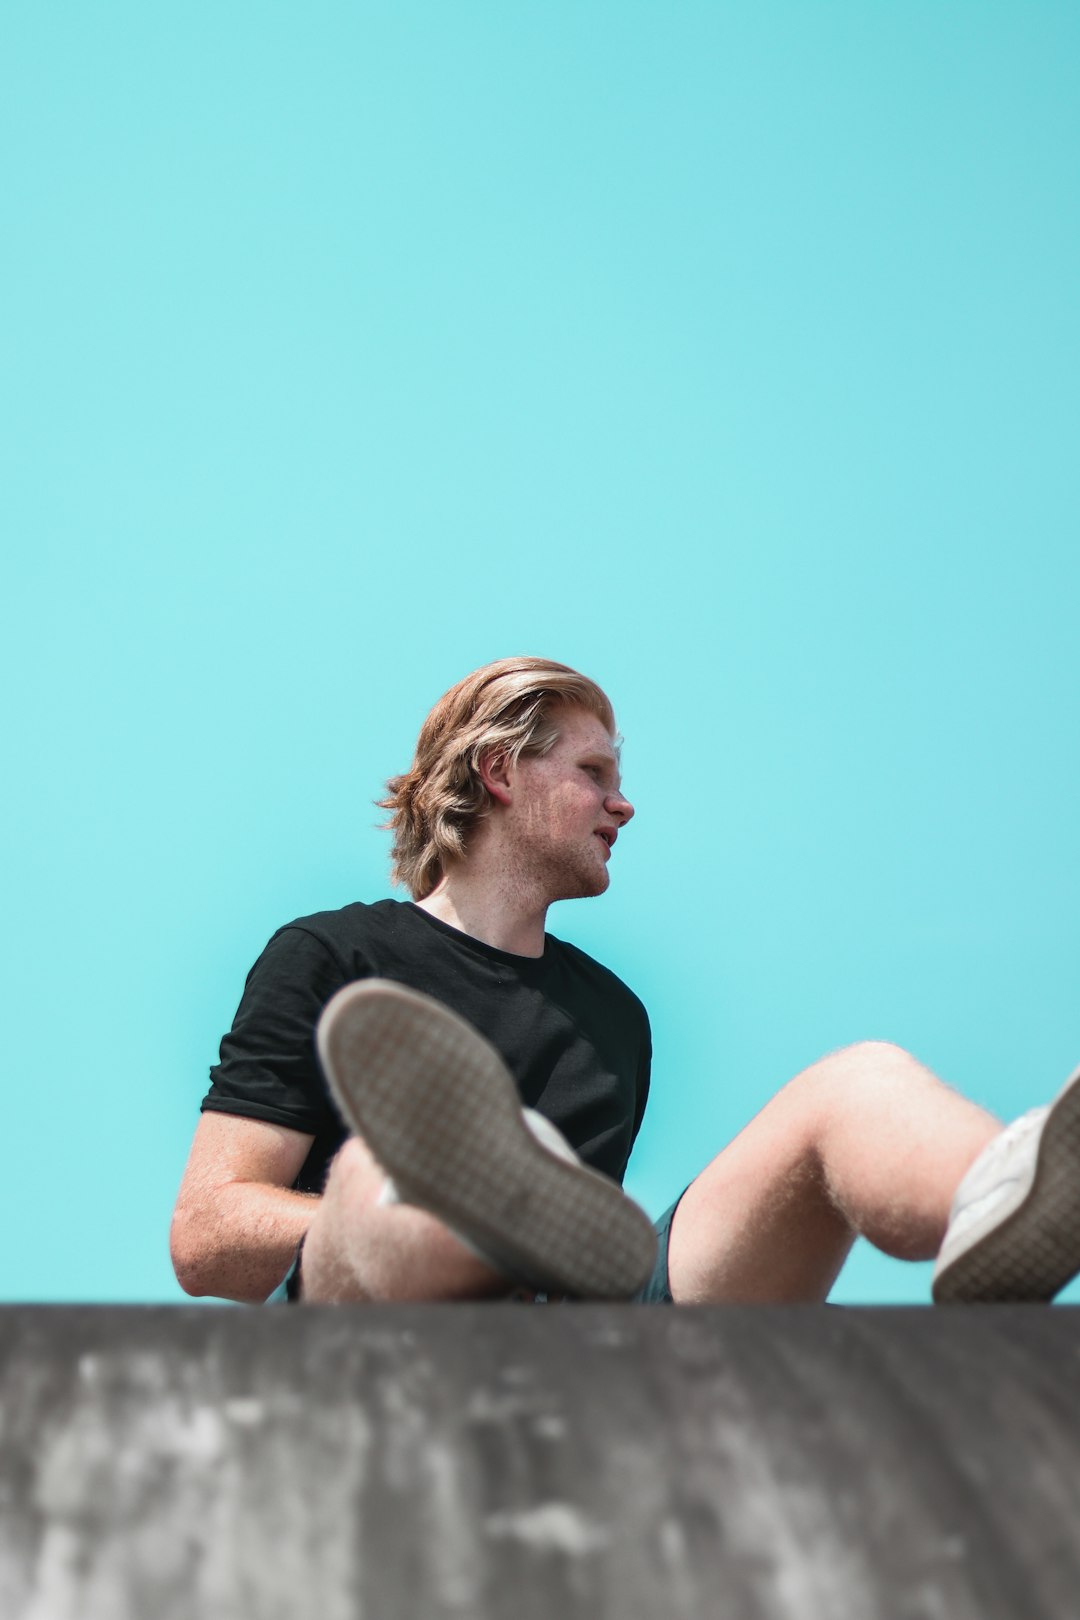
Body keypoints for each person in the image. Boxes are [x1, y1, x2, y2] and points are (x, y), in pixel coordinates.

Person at [170, 656, 1080, 1308]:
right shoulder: (332, 956)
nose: (623, 803)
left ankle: (1004, 1195)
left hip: (586, 1336)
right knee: (382, 1175)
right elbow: (207, 1234)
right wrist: (431, 1216)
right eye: (593, 772)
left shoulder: (615, 1017)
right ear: (498, 773)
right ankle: (464, 1206)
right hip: (376, 1321)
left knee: (855, 1082)